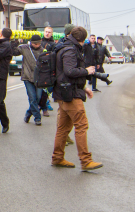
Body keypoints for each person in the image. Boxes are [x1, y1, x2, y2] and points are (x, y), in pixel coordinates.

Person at [51, 26, 103, 171]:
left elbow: (64, 72)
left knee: (63, 128)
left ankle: (57, 157)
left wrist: (84, 88)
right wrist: (86, 71)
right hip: (70, 94)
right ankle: (86, 160)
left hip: (63, 92)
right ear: (82, 39)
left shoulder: (64, 46)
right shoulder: (70, 50)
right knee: (81, 125)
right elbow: (69, 71)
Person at [17, 34, 46, 125]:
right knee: (32, 98)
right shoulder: (25, 48)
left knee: (38, 98)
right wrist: (15, 41)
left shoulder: (43, 50)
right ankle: (37, 117)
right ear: (31, 43)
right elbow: (14, 52)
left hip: (39, 78)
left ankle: (29, 113)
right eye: (35, 44)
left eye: (38, 43)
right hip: (27, 77)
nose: (37, 45)